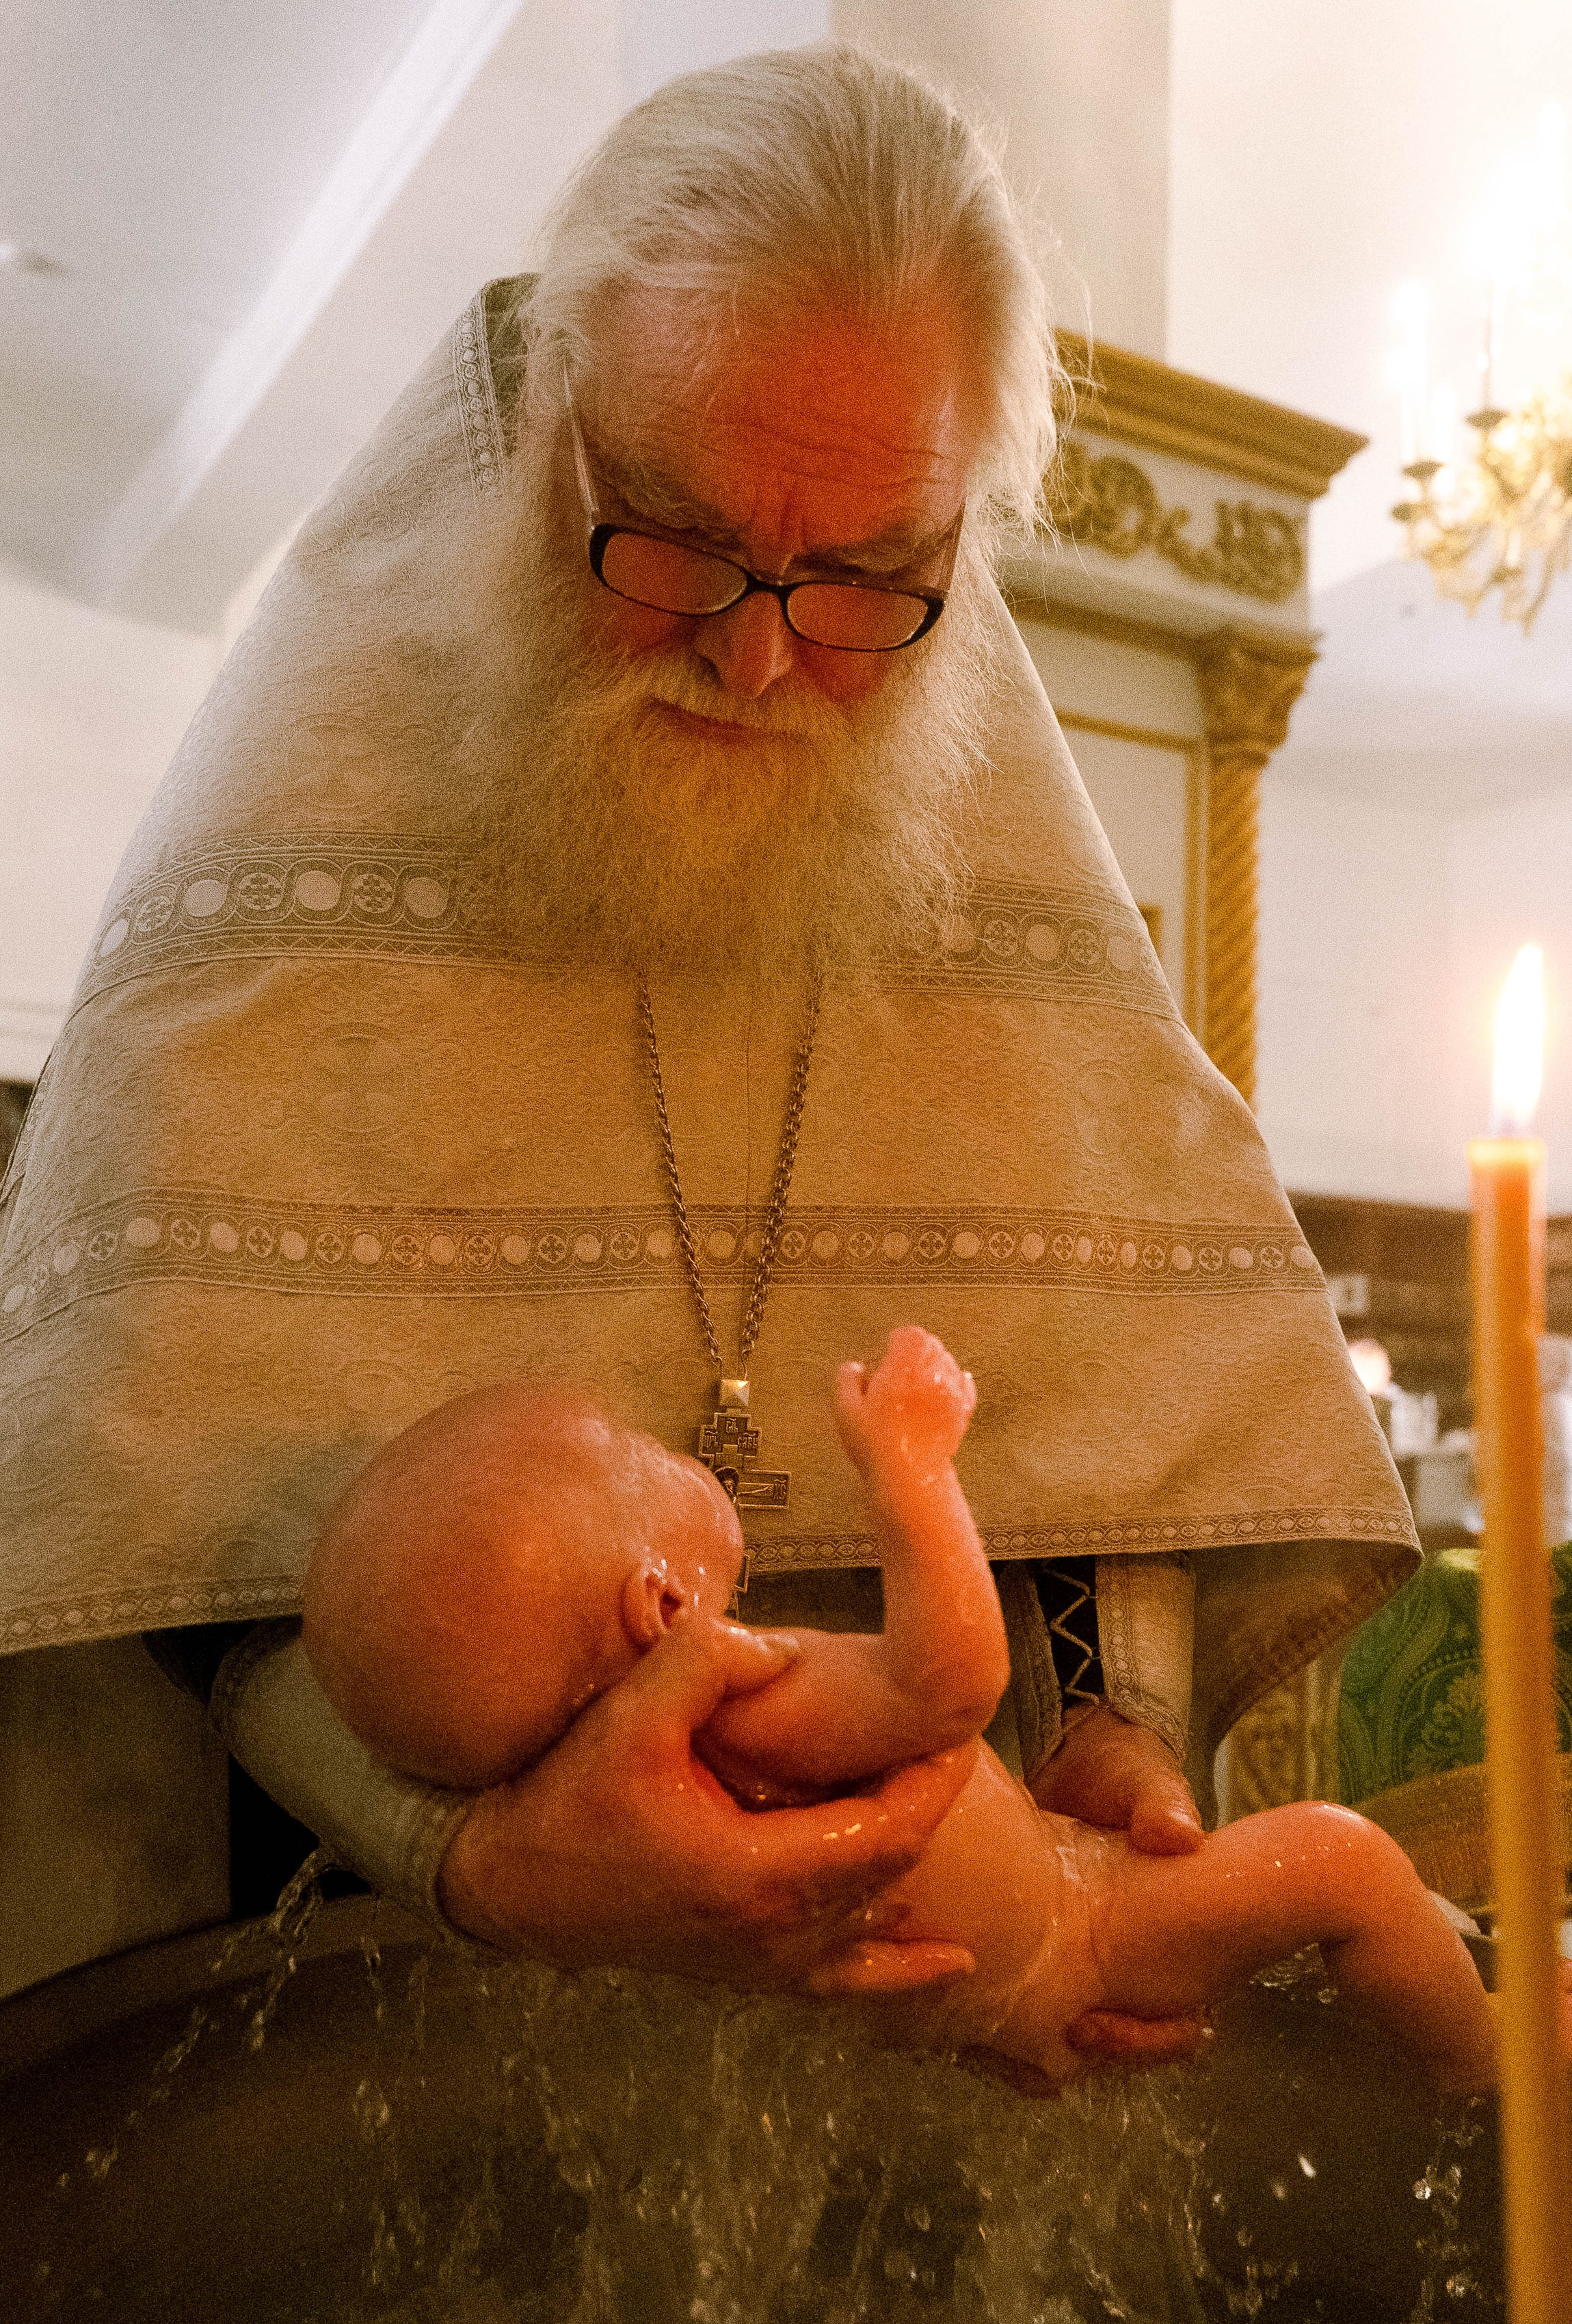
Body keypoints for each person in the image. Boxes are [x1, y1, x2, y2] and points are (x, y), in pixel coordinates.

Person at [0, 47, 1417, 2005]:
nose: (756, 657)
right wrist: (466, 1851)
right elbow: (159, 1516)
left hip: (914, 1986)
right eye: (666, 535)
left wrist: (1115, 1734)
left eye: (863, 582)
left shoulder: (968, 815)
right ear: (548, 416)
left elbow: (1121, 1399)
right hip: (371, 1989)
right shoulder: (299, 832)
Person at [299, 1333, 1535, 2095]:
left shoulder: (662, 1791)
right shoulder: (748, 1700)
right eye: (643, 1450)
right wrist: (912, 1472)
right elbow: (950, 1683)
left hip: (1016, 1965)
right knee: (1347, 1860)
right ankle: (1483, 2067)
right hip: (1093, 1922)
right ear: (657, 1599)